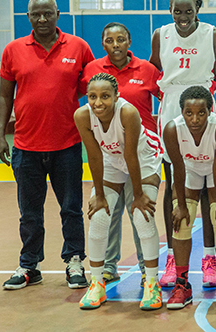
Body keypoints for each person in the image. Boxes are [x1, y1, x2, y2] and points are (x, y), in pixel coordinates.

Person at [0, 0, 94, 290]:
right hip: (26, 147)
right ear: (28, 17)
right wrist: (0, 133)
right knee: (29, 212)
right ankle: (29, 265)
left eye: (47, 14)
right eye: (35, 15)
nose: (42, 19)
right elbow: (5, 95)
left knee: (71, 208)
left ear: (58, 13)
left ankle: (74, 261)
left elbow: (94, 91)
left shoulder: (78, 47)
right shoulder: (13, 50)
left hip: (67, 144)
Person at [150, 0, 216, 289]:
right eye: (177, 11)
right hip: (171, 107)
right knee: (174, 185)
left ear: (198, 9)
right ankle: (173, 256)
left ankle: (209, 257)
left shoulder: (212, 33)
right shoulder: (161, 34)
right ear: (170, 10)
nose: (182, 16)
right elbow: (154, 72)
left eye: (188, 11)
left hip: (204, 104)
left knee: (210, 184)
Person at [74, 73, 164, 310]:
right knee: (99, 217)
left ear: (117, 96)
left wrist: (138, 197)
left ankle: (152, 283)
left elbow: (131, 155)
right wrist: (100, 196)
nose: (98, 103)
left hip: (143, 159)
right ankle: (97, 284)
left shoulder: (128, 113)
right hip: (110, 161)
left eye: (105, 96)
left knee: (142, 216)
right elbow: (93, 155)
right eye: (92, 97)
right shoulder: (82, 116)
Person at [82, 22, 162, 286]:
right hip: (110, 150)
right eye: (109, 40)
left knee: (140, 211)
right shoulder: (93, 70)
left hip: (140, 151)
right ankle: (106, 268)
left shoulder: (147, 70)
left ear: (129, 41)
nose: (115, 44)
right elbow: (93, 155)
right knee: (104, 213)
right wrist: (99, 192)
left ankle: (145, 271)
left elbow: (167, 97)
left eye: (120, 39)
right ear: (102, 43)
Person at [162, 86, 216, 310]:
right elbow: (177, 169)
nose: (195, 119)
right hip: (190, 168)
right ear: (181, 112)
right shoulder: (172, 129)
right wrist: (182, 206)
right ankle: (182, 284)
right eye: (189, 113)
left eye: (201, 113)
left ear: (211, 111)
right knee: (182, 223)